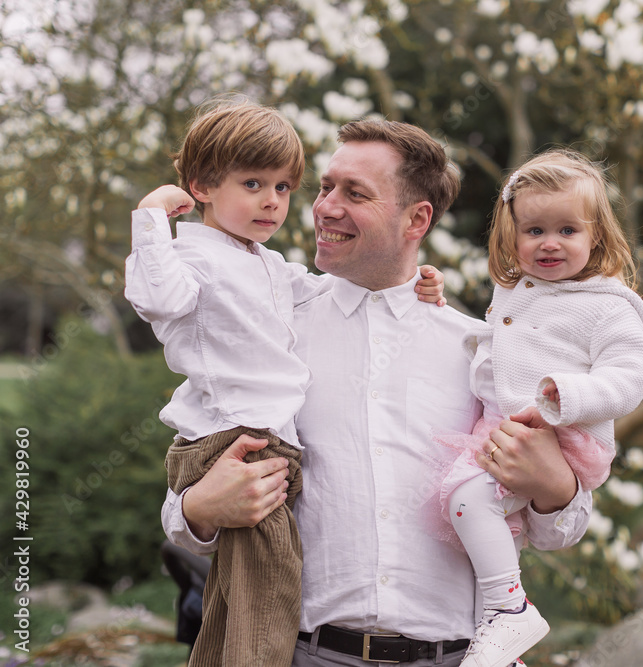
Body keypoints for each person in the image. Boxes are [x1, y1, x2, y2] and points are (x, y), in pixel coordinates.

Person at [161, 119, 594, 667]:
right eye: (324, 187)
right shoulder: (264, 332)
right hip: (307, 655)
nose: (324, 208)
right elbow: (182, 509)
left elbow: (560, 530)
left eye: (355, 193)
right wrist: (200, 508)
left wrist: (555, 485)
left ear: (417, 219)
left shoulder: (482, 351)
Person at [125, 101, 444, 666]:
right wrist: (151, 218)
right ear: (201, 186)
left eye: (283, 187)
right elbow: (155, 297)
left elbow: (321, 290)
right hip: (235, 442)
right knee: (260, 595)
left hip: (447, 647)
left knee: (248, 595)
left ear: (416, 220)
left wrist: (421, 293)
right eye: (254, 183)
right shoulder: (192, 256)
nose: (278, 202)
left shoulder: (269, 266)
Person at [437, 149, 643, 667]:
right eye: (533, 230)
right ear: (511, 234)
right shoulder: (515, 290)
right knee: (493, 520)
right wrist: (436, 304)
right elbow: (498, 345)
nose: (549, 243)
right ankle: (500, 636)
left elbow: (629, 378)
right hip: (513, 432)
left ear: (596, 234)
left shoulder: (608, 305)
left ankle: (509, 611)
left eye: (567, 231)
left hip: (564, 435)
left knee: (466, 496)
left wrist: (567, 395)